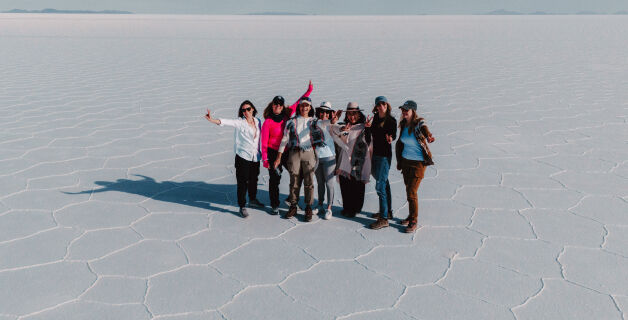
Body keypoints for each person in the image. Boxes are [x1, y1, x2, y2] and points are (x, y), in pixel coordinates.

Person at [274, 97, 332, 222]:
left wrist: (334, 120)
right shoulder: (291, 121)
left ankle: (308, 207)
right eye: (302, 105)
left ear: (310, 107)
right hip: (294, 152)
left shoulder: (314, 121)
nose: (304, 108)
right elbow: (284, 139)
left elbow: (325, 124)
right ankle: (293, 205)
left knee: (309, 180)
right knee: (294, 178)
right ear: (299, 107)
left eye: (307, 106)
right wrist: (279, 157)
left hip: (309, 152)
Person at [205, 101, 264, 218]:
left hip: (255, 156)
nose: (246, 112)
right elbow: (227, 122)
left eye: (248, 109)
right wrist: (212, 120)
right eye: (243, 110)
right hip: (243, 157)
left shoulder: (258, 121)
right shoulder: (240, 122)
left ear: (253, 109)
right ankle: (242, 206)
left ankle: (252, 199)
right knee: (242, 183)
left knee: (253, 180)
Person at [261, 81, 313, 215]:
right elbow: (264, 142)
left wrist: (308, 91)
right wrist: (266, 160)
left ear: (282, 106)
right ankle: (274, 204)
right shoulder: (268, 122)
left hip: (287, 151)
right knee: (274, 178)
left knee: (297, 174)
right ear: (272, 106)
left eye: (280, 104)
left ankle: (292, 198)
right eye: (275, 104)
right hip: (273, 152)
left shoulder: (287, 115)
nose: (278, 106)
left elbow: (298, 103)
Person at [395, 100, 435, 233]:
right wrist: (399, 161)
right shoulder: (403, 124)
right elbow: (400, 143)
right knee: (408, 190)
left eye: (407, 110)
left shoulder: (419, 123)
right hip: (406, 161)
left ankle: (414, 220)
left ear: (413, 111)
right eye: (403, 110)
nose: (404, 112)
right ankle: (411, 215)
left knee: (412, 192)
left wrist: (428, 136)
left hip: (418, 163)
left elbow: (424, 129)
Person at [330, 102, 373, 218]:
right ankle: (347, 207)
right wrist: (335, 121)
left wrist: (368, 129)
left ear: (359, 114)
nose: (352, 116)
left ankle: (356, 208)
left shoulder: (364, 126)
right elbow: (332, 132)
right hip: (344, 162)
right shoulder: (344, 126)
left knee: (357, 186)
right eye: (349, 114)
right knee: (345, 186)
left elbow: (369, 141)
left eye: (354, 114)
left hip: (359, 162)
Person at [367, 96, 398, 230]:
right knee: (384, 182)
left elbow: (393, 134)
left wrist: (391, 138)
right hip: (375, 154)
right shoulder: (374, 119)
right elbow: (370, 137)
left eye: (383, 104)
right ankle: (388, 211)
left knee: (380, 185)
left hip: (385, 156)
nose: (381, 106)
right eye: (378, 104)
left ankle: (384, 218)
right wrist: (368, 128)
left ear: (387, 105)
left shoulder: (391, 120)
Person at [313, 101, 340, 220]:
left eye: (327, 112)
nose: (324, 113)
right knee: (320, 183)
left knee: (329, 183)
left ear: (330, 114)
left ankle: (329, 207)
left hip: (329, 156)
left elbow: (340, 129)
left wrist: (335, 121)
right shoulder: (315, 123)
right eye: (322, 111)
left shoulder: (332, 124)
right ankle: (320, 205)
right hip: (317, 157)